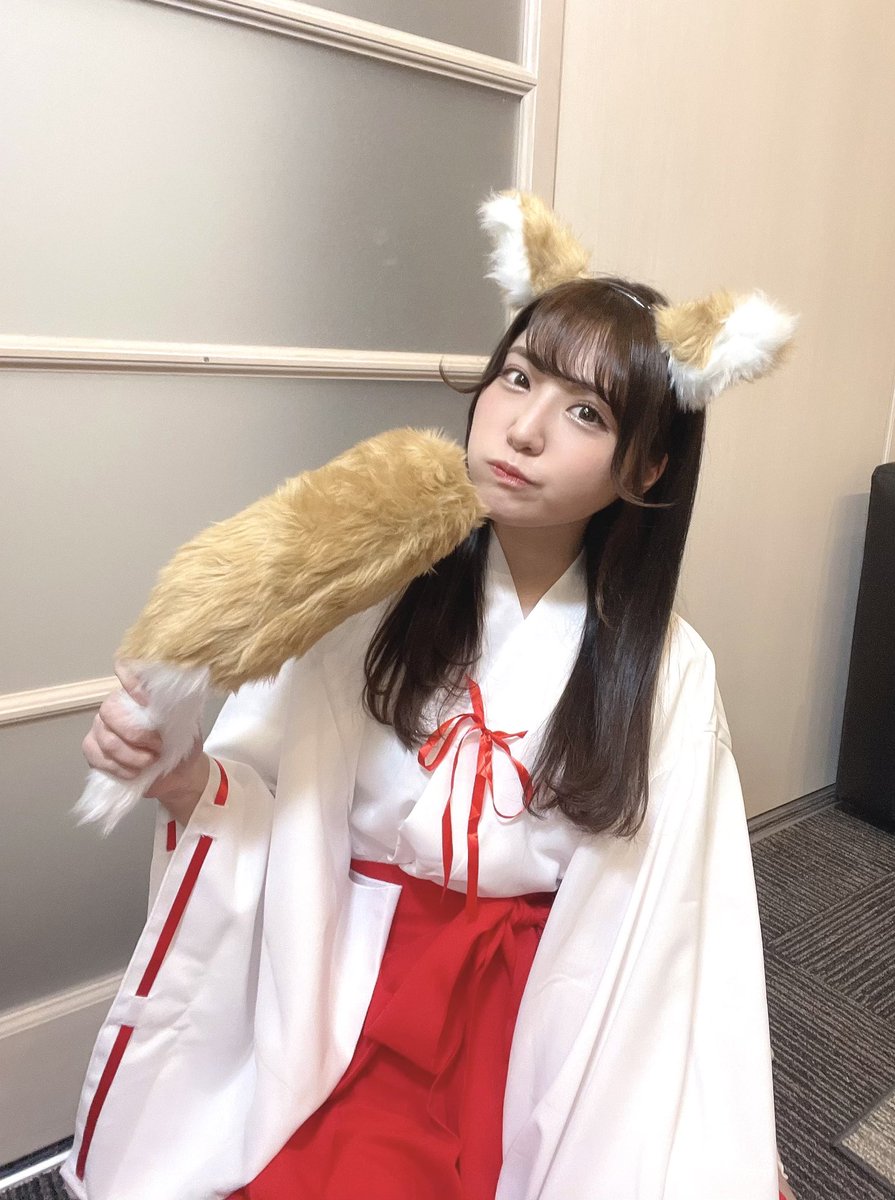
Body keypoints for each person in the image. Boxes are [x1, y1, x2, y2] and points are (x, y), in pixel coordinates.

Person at [65, 206, 797, 1200]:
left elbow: (664, 928)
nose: (524, 428)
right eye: (519, 378)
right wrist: (181, 773)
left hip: (539, 1010)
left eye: (587, 414)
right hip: (341, 977)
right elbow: (281, 808)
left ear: (647, 467)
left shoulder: (670, 670)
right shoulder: (376, 594)